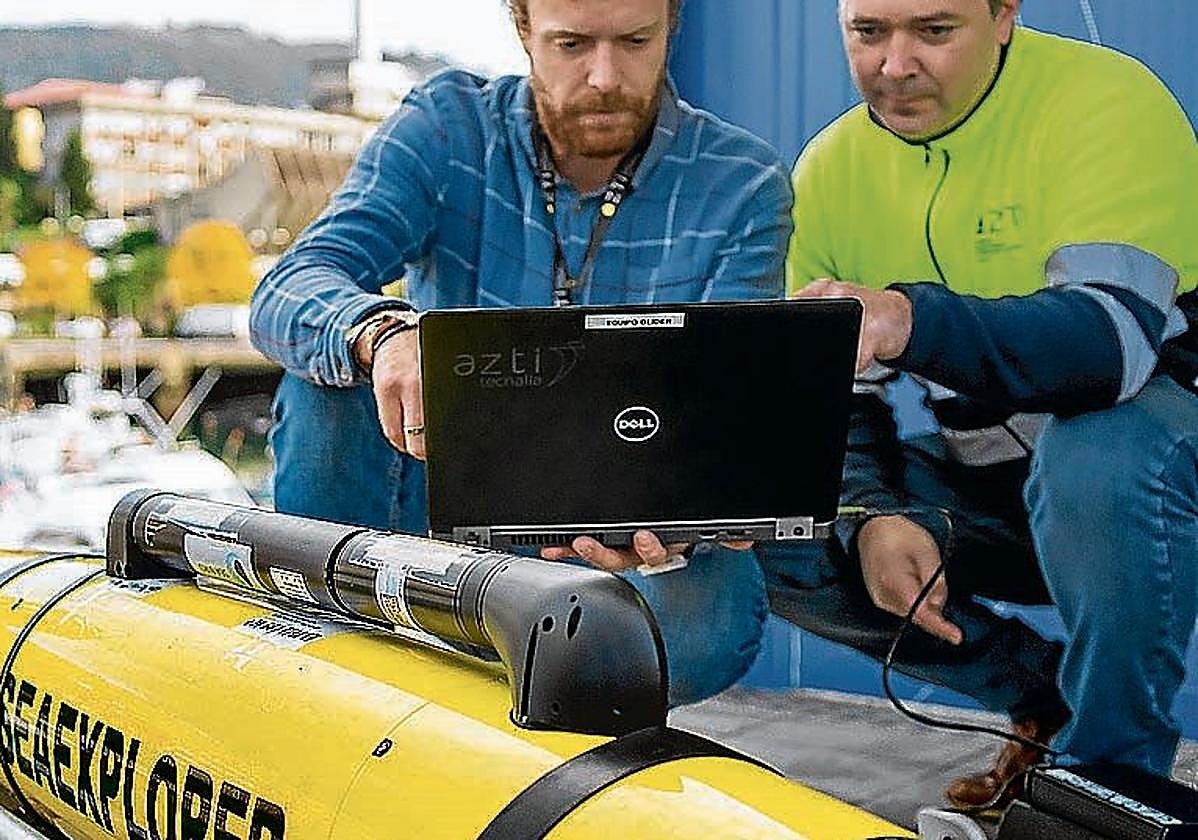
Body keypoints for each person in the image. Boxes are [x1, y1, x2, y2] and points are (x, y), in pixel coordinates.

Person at [249, 0, 793, 707]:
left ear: (672, 26)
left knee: (706, 625)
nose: (605, 76)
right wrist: (383, 335)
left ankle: (531, 684)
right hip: (443, 504)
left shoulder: (743, 182)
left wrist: (680, 526)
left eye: (635, 41)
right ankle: (339, 659)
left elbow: (730, 413)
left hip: (634, 524)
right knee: (328, 378)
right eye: (572, 45)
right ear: (523, 30)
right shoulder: (447, 129)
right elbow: (290, 286)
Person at [768, 0, 1198, 809]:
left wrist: (907, 318)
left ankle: (1106, 787)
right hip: (1002, 492)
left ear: (1004, 14)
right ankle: (1047, 706)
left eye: (935, 31)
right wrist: (872, 515)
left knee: (1095, 457)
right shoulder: (827, 169)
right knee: (774, 518)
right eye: (868, 32)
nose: (896, 65)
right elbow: (832, 402)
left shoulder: (1108, 101)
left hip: (1160, 474)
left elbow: (1109, 349)